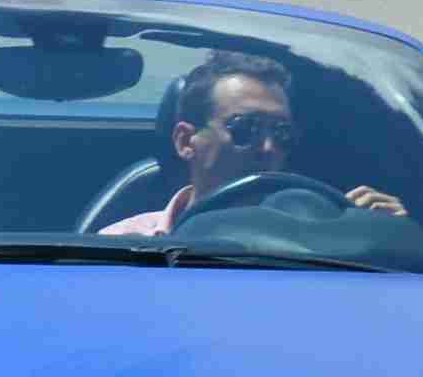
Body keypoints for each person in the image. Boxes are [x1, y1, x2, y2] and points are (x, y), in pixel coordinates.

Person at [93, 51, 405, 240]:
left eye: (282, 133)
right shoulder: (122, 246)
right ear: (186, 141)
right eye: (246, 129)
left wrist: (393, 239)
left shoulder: (327, 241)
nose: (269, 148)